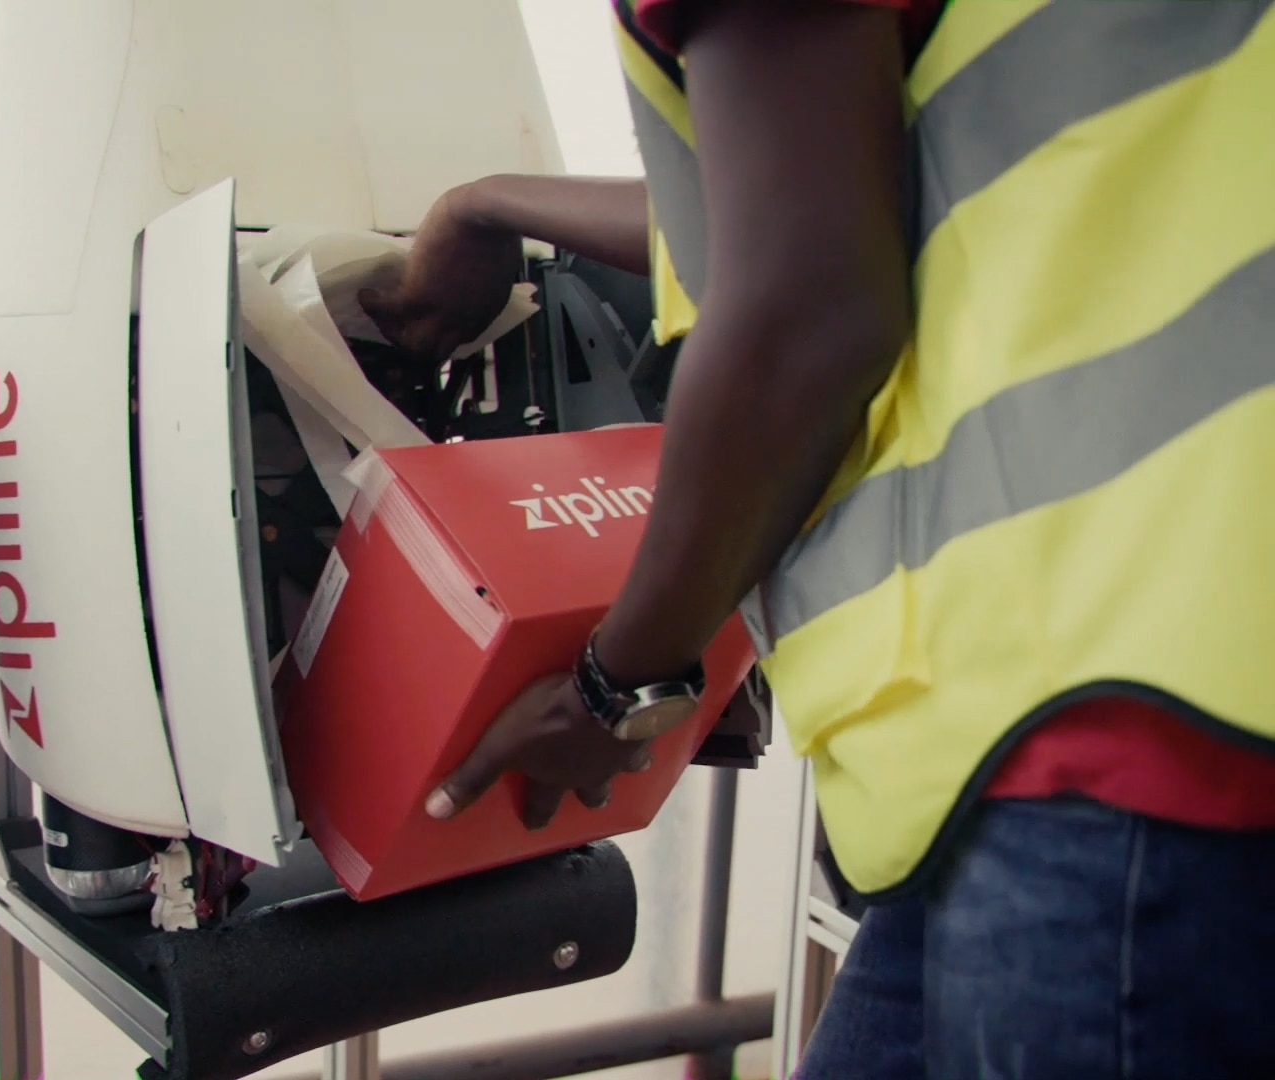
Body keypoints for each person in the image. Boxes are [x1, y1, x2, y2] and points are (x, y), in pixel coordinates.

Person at [362, 0, 1275, 1076]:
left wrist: (617, 685)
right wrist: (485, 207)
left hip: (1110, 725)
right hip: (1103, 714)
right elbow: (824, 196)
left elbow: (807, 302)